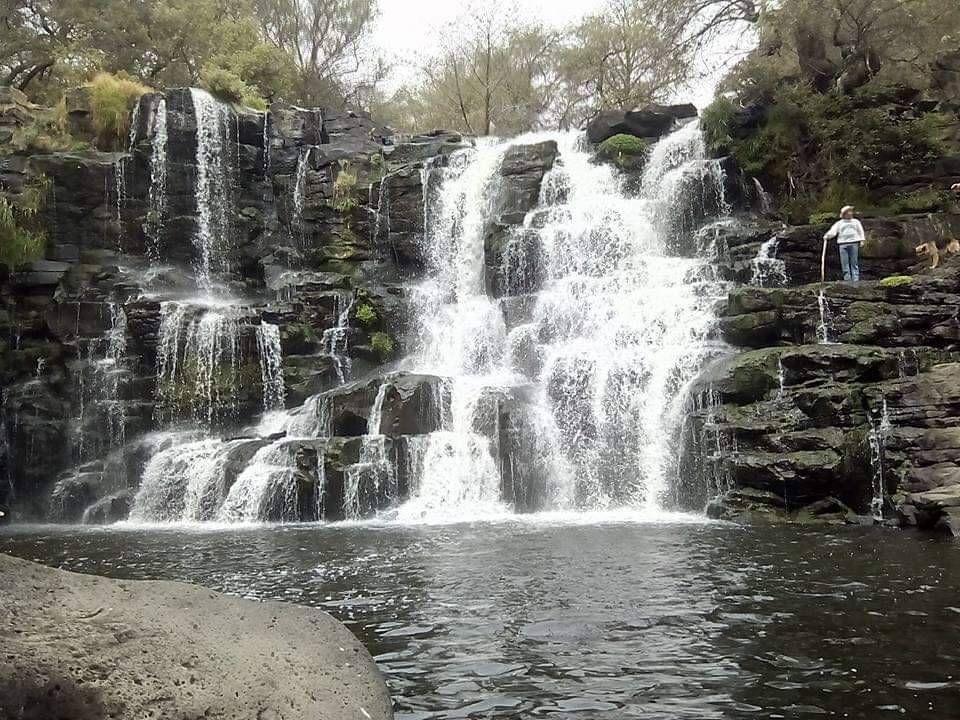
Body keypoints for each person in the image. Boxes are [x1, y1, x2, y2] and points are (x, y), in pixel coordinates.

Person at [823, 205, 865, 281]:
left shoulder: (856, 222)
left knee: (854, 261)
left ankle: (856, 278)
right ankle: (847, 279)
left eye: (851, 211)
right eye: (849, 212)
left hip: (854, 243)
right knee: (844, 262)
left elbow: (860, 231)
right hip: (843, 244)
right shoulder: (839, 223)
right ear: (844, 214)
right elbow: (833, 232)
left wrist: (862, 240)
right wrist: (827, 236)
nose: (851, 213)